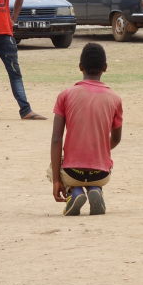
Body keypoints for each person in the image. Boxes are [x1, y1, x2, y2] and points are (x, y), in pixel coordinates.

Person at [50, 43, 123, 216]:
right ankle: (95, 189)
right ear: (105, 68)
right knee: (94, 175)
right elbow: (117, 138)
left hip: (72, 172)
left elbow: (56, 139)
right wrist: (100, 150)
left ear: (80, 67)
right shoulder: (115, 98)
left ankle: (73, 193)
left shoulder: (65, 95)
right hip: (101, 173)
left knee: (54, 164)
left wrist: (55, 180)